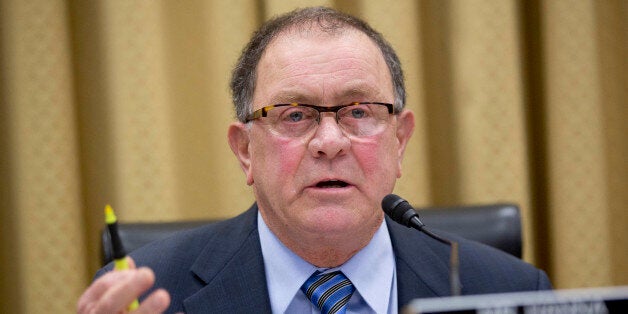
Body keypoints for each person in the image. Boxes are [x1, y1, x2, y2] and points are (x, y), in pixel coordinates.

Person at [77, 6, 551, 314]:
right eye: (295, 114)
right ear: (245, 151)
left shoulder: (509, 290)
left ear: (400, 142)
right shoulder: (144, 296)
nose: (329, 141)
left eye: (359, 111)